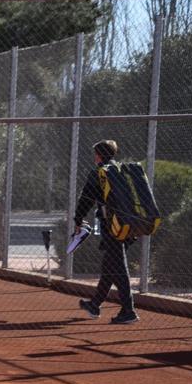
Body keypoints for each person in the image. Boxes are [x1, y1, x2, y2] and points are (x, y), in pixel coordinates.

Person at [74, 139, 139, 325]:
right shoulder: (120, 170)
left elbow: (86, 198)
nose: (94, 156)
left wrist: (78, 219)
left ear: (100, 155)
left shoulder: (99, 173)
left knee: (119, 269)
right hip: (128, 226)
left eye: (96, 153)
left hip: (112, 228)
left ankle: (129, 311)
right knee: (110, 267)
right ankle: (95, 305)